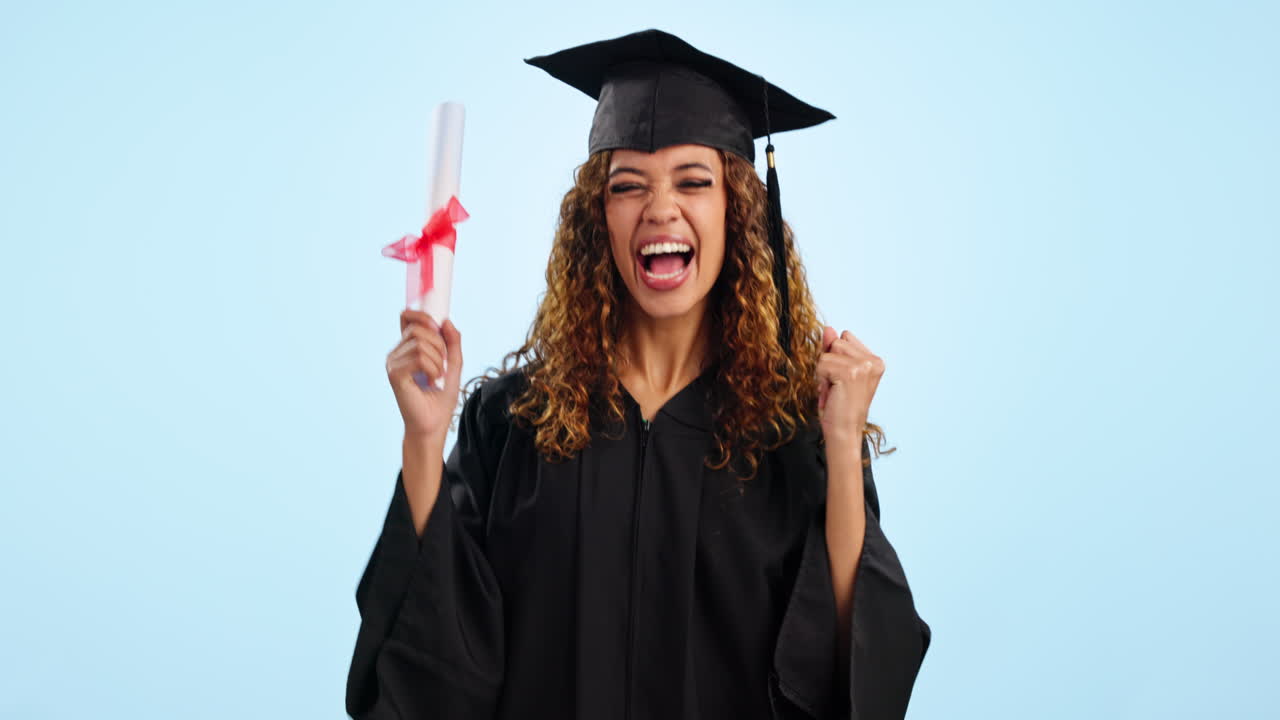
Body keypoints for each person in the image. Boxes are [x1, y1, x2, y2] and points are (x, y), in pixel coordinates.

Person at [346, 29, 930, 720]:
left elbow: (851, 666)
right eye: (628, 186)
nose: (660, 208)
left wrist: (839, 443)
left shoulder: (794, 430)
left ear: (737, 212)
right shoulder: (514, 422)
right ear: (599, 217)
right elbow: (438, 656)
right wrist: (423, 442)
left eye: (693, 181)